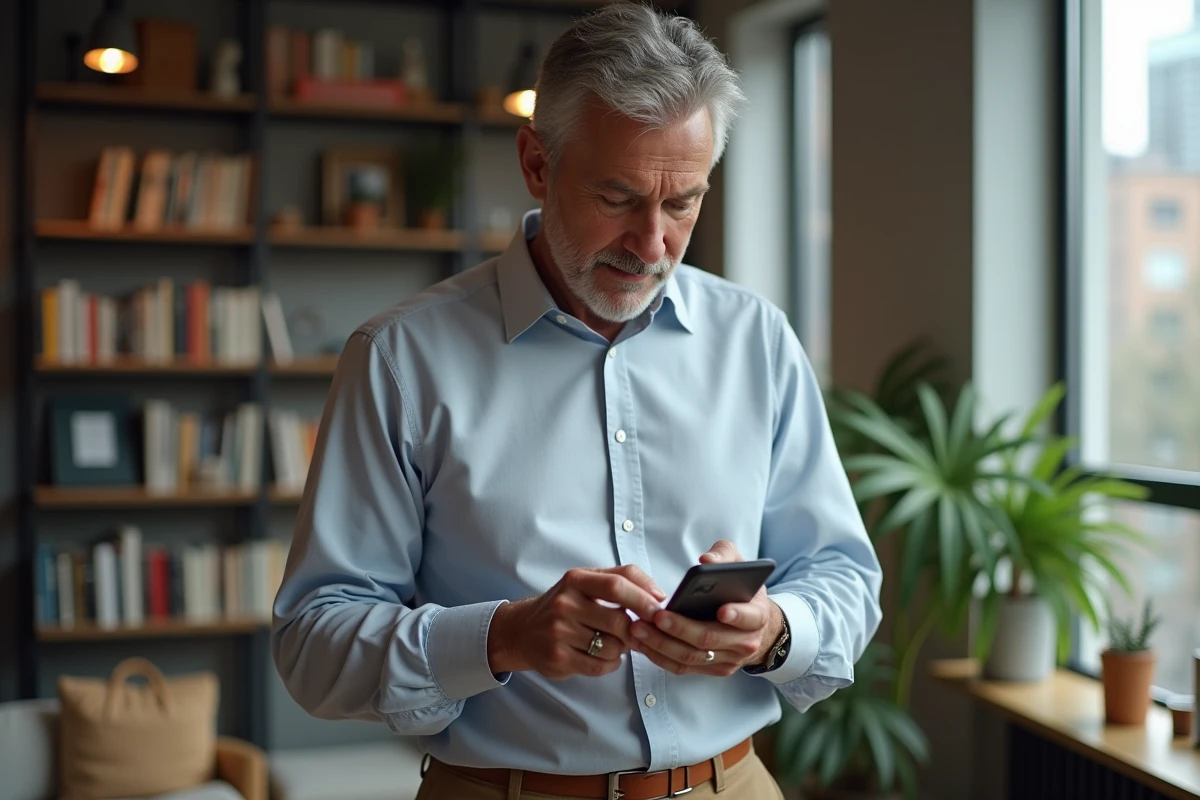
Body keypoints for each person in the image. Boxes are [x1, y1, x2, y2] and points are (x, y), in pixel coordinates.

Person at [271, 5, 882, 800]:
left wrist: (774, 631)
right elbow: (314, 644)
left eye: (682, 203)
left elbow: (841, 574)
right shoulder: (399, 361)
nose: (651, 244)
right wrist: (502, 637)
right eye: (619, 197)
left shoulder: (756, 339)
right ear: (536, 162)